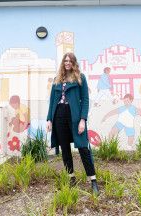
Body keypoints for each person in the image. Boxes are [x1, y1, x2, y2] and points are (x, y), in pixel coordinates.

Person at [46, 53, 99, 195]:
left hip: (75, 116)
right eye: (65, 61)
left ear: (74, 62)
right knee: (64, 148)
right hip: (59, 115)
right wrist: (49, 119)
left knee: (83, 148)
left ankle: (93, 181)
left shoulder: (80, 78)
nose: (67, 63)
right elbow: (52, 101)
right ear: (63, 63)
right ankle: (71, 178)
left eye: (70, 61)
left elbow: (85, 100)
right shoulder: (58, 79)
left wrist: (83, 119)